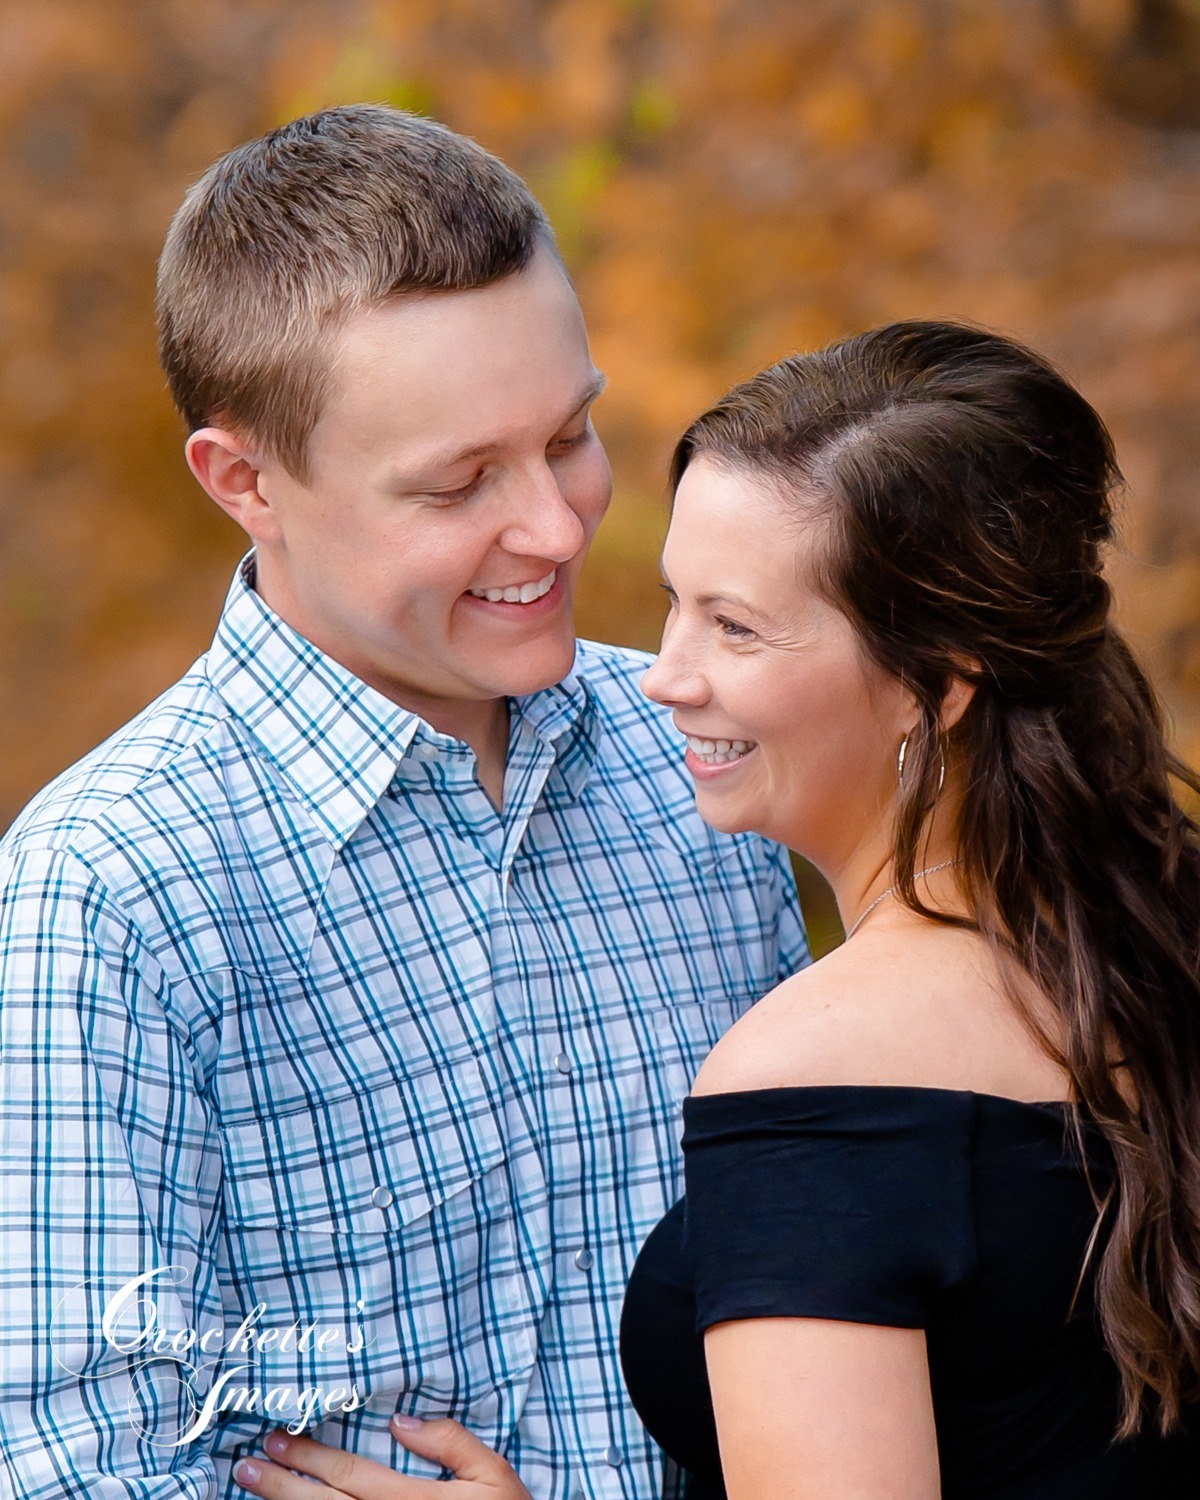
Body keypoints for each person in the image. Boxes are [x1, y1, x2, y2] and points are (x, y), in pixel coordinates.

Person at [234, 320, 1200, 1500]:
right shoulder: (1153, 939)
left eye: (736, 627)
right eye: (673, 603)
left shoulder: (822, 1079)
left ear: (937, 682)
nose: (665, 674)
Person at [0, 106, 806, 1499]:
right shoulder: (113, 890)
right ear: (244, 479)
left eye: (572, 435)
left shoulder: (706, 763)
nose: (556, 526)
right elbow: (80, 1468)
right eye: (456, 484)